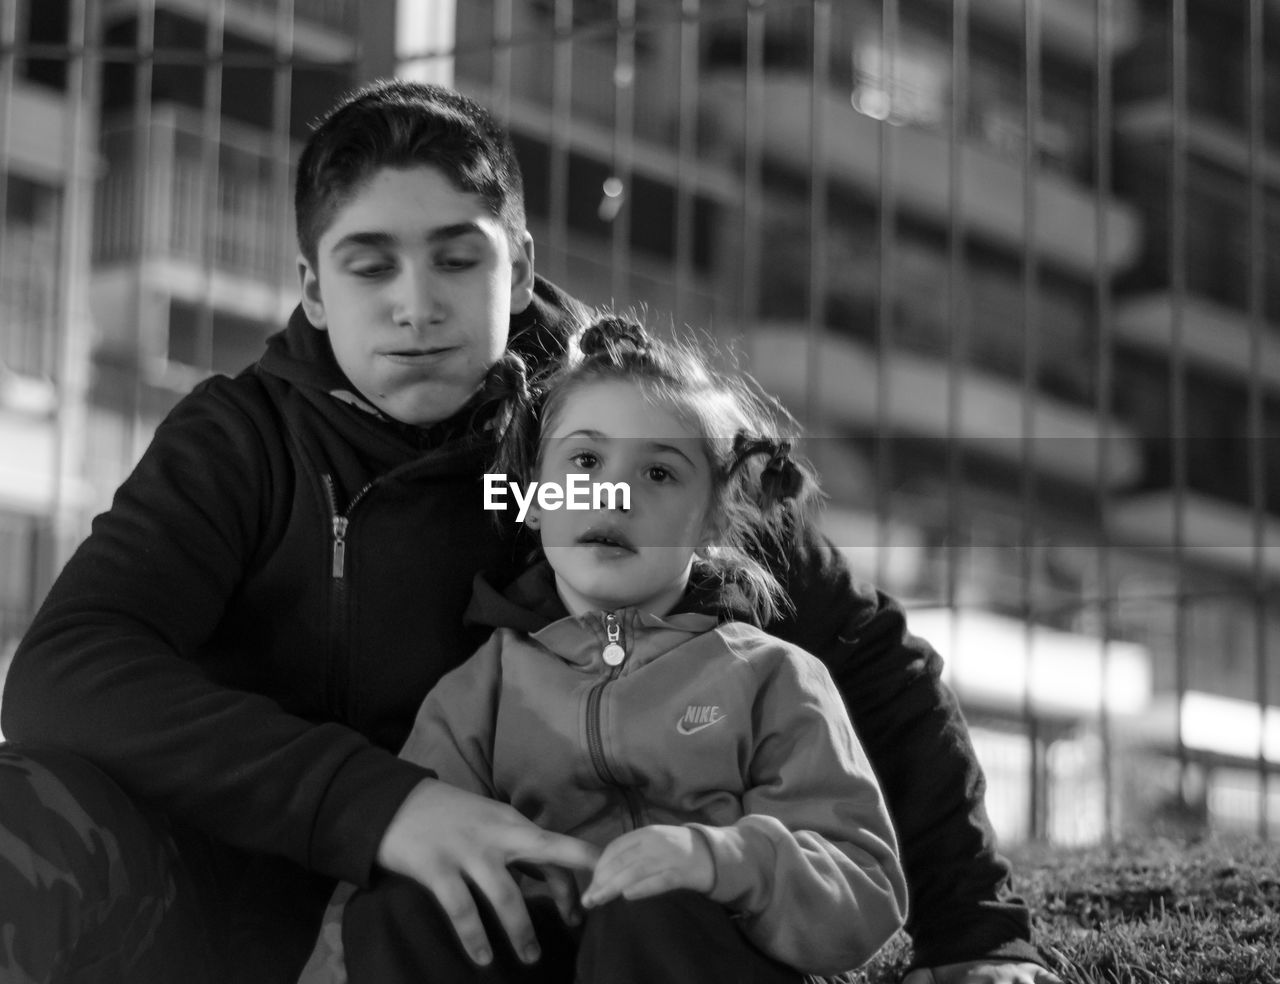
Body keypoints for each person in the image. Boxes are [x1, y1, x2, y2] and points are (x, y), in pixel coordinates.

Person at [0, 78, 1061, 984]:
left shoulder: (618, 428)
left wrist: (977, 934)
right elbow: (70, 670)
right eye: (369, 265)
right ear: (313, 291)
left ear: (517, 257)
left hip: (560, 914)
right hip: (249, 893)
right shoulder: (243, 441)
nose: (415, 305)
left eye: (456, 260)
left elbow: (862, 649)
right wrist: (374, 805)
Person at [300, 314, 909, 983]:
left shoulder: (773, 678)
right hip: (536, 956)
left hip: (693, 952)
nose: (613, 496)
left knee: (650, 908)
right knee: (406, 905)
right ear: (531, 497)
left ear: (710, 520)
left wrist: (722, 861)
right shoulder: (481, 690)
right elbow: (404, 855)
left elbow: (865, 885)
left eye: (658, 472)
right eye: (585, 461)